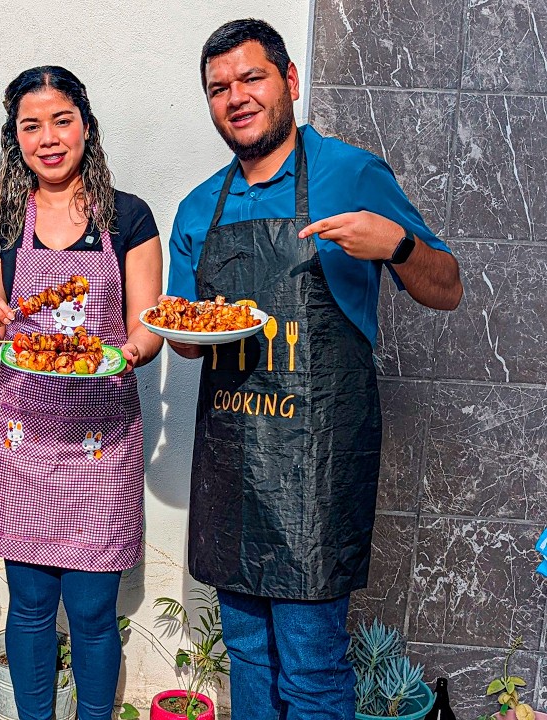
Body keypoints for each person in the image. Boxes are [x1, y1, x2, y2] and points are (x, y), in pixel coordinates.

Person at [167, 19, 463, 719]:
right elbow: (182, 338)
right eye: (218, 88)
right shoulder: (197, 207)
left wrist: (393, 244)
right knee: (246, 658)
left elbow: (448, 287)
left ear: (290, 82)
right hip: (232, 466)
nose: (235, 97)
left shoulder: (351, 173)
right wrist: (179, 328)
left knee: (310, 668)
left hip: (316, 472)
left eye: (251, 78)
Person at [0, 66, 163, 720]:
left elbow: (147, 329)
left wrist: (127, 352)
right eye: (31, 125)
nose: (48, 138)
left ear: (86, 126)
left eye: (61, 120)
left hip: (101, 443)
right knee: (27, 604)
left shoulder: (127, 216)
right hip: (23, 440)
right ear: (13, 136)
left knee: (91, 609)